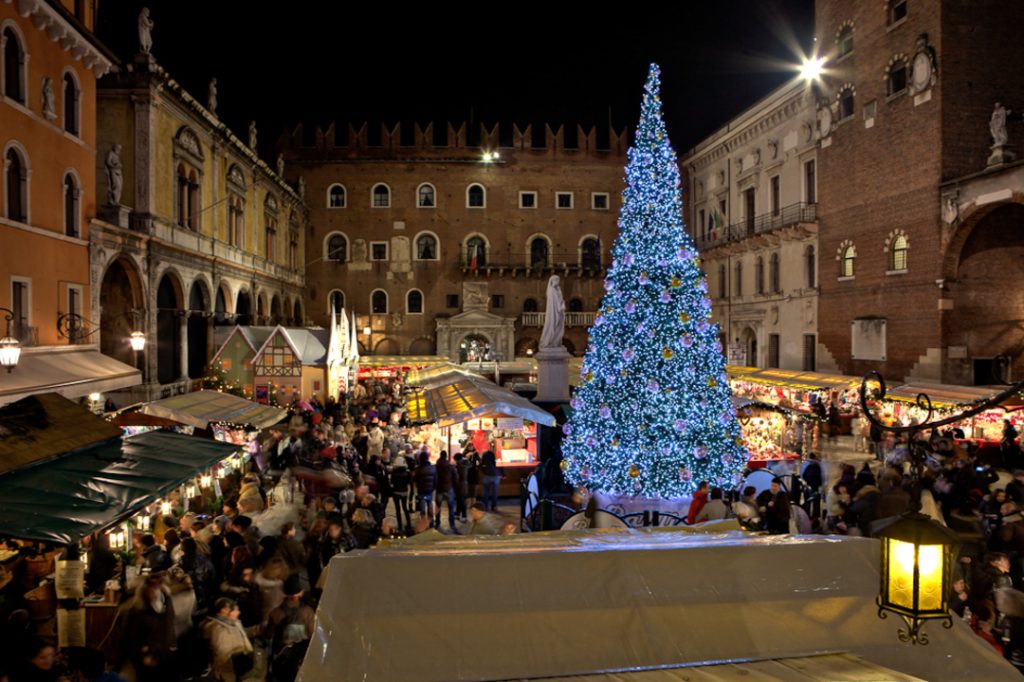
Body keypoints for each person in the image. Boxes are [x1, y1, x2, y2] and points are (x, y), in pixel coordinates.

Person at [124, 575, 178, 681]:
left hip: (163, 654)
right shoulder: (136, 612)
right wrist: (144, 654)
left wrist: (171, 644)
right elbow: (131, 638)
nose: (155, 592)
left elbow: (169, 625)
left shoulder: (165, 604)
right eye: (153, 588)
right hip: (147, 657)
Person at [266, 575, 315, 681]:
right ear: (300, 593)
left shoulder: (276, 613)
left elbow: (269, 636)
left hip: (282, 659)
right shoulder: (308, 611)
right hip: (301, 659)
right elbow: (313, 637)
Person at [201, 598, 254, 682]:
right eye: (236, 610)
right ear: (224, 611)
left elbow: (241, 633)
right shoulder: (220, 631)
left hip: (239, 667)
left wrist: (259, 629)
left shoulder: (233, 623)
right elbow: (223, 661)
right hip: (229, 674)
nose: (239, 612)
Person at [434, 451, 458, 531]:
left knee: (438, 507)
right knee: (451, 507)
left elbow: (434, 477)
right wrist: (454, 486)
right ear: (446, 456)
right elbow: (455, 477)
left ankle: (437, 523)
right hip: (449, 488)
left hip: (439, 488)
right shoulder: (450, 466)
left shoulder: (436, 466)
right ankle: (452, 524)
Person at [414, 451, 437, 522]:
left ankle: (423, 523)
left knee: (422, 508)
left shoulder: (418, 469)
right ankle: (431, 523)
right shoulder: (433, 468)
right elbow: (435, 480)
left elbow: (415, 479)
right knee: (430, 505)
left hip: (421, 491)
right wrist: (433, 488)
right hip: (429, 490)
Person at [800, 453, 824, 519]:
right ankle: (816, 515)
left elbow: (802, 474)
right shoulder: (818, 464)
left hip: (807, 485)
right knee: (816, 500)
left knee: (807, 500)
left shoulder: (805, 464)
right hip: (816, 486)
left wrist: (805, 481)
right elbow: (822, 476)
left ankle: (806, 514)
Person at [454, 452, 470, 522]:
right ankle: (457, 514)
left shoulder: (461, 467)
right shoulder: (464, 465)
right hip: (463, 485)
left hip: (461, 485)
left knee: (462, 501)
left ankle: (464, 516)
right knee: (459, 500)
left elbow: (460, 477)